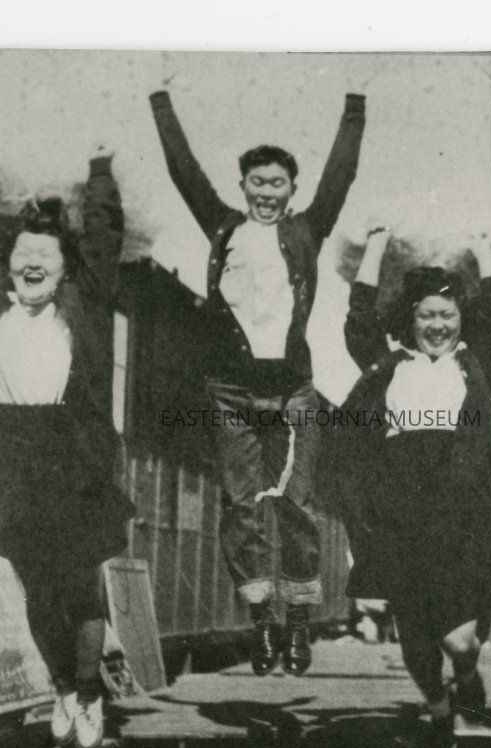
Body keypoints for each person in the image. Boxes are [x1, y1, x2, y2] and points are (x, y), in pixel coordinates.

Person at [149, 85, 366, 676]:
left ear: (292, 190)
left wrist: (355, 103)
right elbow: (184, 172)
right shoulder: (225, 228)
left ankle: (299, 621)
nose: (267, 193)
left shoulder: (306, 231)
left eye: (278, 184)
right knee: (241, 505)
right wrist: (161, 100)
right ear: (243, 186)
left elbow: (341, 178)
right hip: (230, 390)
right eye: (257, 182)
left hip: (293, 389)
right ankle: (261, 622)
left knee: (296, 505)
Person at [0, 127, 136, 748]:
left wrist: (100, 166)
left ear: (63, 267)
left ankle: (88, 692)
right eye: (22, 253)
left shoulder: (83, 307)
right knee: (36, 587)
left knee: (79, 584)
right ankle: (61, 687)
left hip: (71, 456)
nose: (32, 262)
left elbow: (103, 239)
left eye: (45, 255)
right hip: (11, 456)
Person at [335, 227, 491, 748]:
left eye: (447, 315)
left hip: (461, 520)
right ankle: (440, 714)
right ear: (409, 320)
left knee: (459, 641)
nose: (437, 325)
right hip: (400, 520)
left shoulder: (477, 366)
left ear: (461, 318)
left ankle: (467, 674)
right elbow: (359, 321)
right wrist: (374, 246)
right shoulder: (387, 366)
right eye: (426, 315)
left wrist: (483, 248)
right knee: (415, 640)